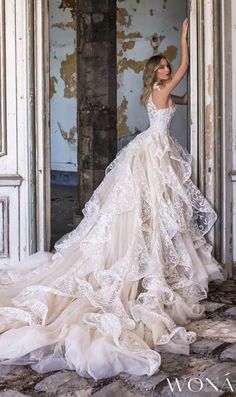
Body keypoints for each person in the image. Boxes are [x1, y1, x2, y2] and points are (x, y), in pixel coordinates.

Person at [0, 18, 224, 380]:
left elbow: (174, 102)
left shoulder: (158, 92)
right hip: (152, 153)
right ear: (156, 73)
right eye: (163, 66)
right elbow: (185, 70)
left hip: (152, 148)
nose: (168, 68)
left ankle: (155, 254)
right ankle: (146, 263)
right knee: (148, 209)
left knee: (156, 210)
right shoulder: (163, 86)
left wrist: (186, 101)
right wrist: (184, 39)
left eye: (167, 65)